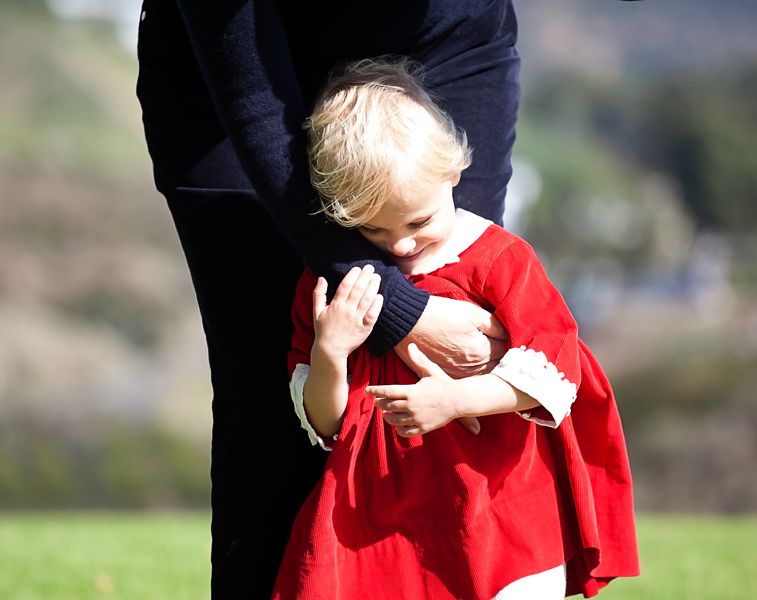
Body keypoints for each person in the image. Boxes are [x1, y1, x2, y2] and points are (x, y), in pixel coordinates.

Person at [136, 1, 520, 596]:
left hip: (443, 52)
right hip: (238, 75)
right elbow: (253, 98)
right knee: (272, 403)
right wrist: (401, 310)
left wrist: (429, 315)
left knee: (447, 388)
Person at [273, 58, 639, 599]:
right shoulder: (336, 289)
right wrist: (331, 349)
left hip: (497, 499)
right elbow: (326, 425)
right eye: (372, 230)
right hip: (380, 516)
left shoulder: (499, 260)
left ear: (453, 173)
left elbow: (555, 370)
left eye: (418, 221)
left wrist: (456, 399)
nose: (401, 245)